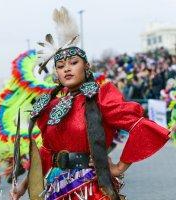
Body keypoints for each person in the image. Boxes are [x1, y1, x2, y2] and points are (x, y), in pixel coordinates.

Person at [10, 7, 175, 200]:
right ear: (56, 73)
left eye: (73, 63)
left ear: (86, 66)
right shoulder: (50, 105)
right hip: (55, 189)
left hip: (90, 188)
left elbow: (141, 126)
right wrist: (23, 185)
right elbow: (47, 154)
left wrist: (119, 167)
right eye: (61, 66)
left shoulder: (101, 97)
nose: (67, 69)